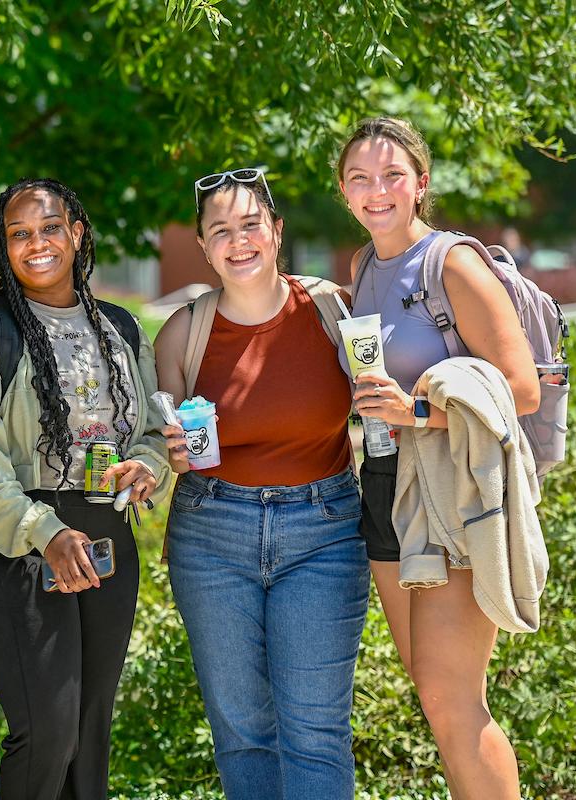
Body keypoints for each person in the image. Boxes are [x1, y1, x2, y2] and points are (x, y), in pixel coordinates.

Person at [0, 177, 179, 800]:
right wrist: (44, 531)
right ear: (2, 246)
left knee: (90, 733)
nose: (35, 243)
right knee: (47, 731)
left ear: (77, 233)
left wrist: (148, 466)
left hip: (106, 536)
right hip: (17, 542)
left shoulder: (120, 327)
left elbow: (151, 430)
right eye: (18, 234)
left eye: (48, 228)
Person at [337, 116, 540, 800]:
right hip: (387, 479)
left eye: (393, 175)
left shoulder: (451, 261)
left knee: (454, 700)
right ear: (343, 190)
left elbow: (522, 389)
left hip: (454, 482)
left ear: (420, 184)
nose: (378, 190)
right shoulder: (362, 266)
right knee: (434, 697)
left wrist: (417, 410)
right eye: (361, 178)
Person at [152, 169, 368, 799]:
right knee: (241, 728)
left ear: (276, 231)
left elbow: (378, 401)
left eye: (251, 225)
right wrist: (168, 450)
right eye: (221, 230)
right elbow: (163, 436)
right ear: (202, 246)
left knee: (316, 729)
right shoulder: (180, 332)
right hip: (211, 534)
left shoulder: (331, 309)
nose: (238, 241)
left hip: (323, 533)